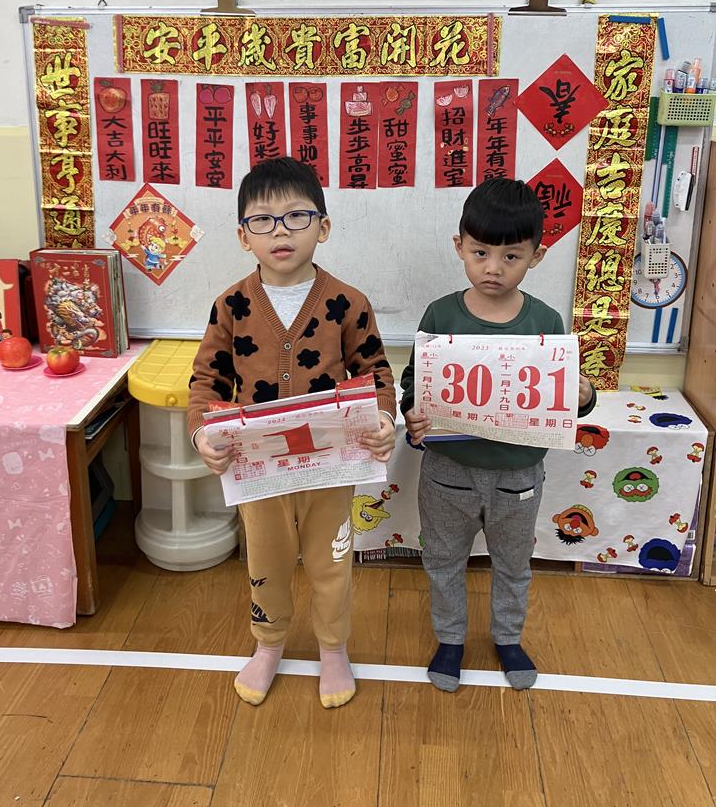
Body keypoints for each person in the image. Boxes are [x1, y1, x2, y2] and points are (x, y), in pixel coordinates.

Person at [188, 157, 396, 709]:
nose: (280, 231)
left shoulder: (347, 302)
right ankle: (269, 643)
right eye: (263, 220)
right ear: (243, 236)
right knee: (266, 564)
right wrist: (202, 435)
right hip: (259, 470)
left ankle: (333, 648)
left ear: (322, 227)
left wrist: (382, 420)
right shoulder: (231, 306)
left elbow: (375, 371)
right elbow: (208, 380)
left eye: (296, 217)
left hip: (331, 464)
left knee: (332, 563)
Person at [401, 178, 596, 692]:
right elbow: (414, 379)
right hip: (447, 473)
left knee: (513, 564)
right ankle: (450, 639)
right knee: (443, 561)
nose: (493, 268)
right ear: (459, 246)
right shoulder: (441, 314)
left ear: (536, 256)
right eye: (480, 252)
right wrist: (413, 412)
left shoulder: (546, 320)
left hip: (519, 475)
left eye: (511, 256)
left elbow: (564, 393)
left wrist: (583, 395)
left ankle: (508, 638)